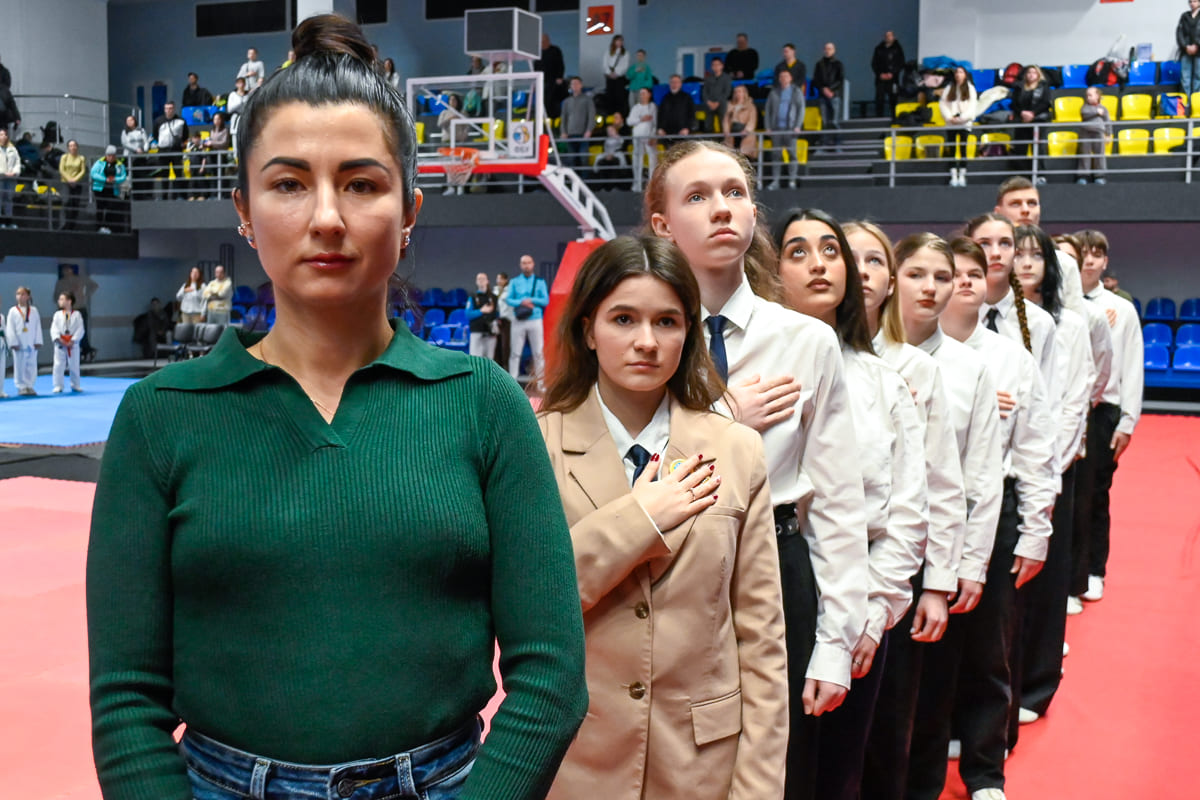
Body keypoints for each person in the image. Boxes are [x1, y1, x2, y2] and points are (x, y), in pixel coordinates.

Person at [87, 14, 587, 800]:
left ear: (410, 210)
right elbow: (124, 701)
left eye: (361, 183)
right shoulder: (161, 416)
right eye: (289, 183)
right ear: (244, 211)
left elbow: (552, 680)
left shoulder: (485, 405)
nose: (326, 217)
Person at [644, 140, 868, 800]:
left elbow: (838, 497)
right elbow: (621, 469)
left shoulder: (806, 340)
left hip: (777, 555)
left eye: (735, 193)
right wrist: (723, 418)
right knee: (676, 762)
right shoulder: (641, 335)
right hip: (671, 562)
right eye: (697, 196)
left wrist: (837, 638)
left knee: (780, 769)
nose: (721, 209)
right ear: (662, 225)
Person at [540, 234, 787, 800]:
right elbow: (529, 604)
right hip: (576, 762)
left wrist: (758, 789)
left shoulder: (737, 449)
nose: (646, 342)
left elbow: (761, 638)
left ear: (689, 332)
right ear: (588, 330)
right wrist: (640, 520)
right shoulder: (537, 445)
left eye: (667, 322)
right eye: (623, 319)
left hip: (701, 764)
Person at [773, 209, 928, 800]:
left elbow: (907, 509)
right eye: (798, 252)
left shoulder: (882, 382)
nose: (819, 264)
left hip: (861, 591)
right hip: (773, 585)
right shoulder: (752, 369)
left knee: (839, 770)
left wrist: (876, 607)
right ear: (773, 270)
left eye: (830, 251)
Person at [907, 234, 1053, 800]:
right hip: (917, 521)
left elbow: (1031, 450)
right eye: (951, 272)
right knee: (928, 659)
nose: (960, 282)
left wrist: (1035, 529)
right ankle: (926, 759)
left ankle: (985, 769)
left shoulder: (1005, 358)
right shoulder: (899, 352)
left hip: (988, 511)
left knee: (989, 651)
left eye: (969, 273)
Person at [844, 223, 973, 800]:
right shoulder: (800, 352)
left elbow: (940, 482)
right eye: (848, 257)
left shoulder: (914, 367)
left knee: (885, 725)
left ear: (888, 280)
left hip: (889, 563)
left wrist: (938, 582)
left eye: (875, 261)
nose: (860, 272)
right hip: (807, 562)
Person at [1009, 224, 1092, 731]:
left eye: (1033, 255)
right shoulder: (996, 318)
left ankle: (1037, 686)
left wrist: (1046, 468)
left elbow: (1070, 399)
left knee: (1044, 585)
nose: (1023, 263)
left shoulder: (1069, 324)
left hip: (1051, 465)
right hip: (1004, 467)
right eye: (1015, 254)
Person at [1075, 229, 1143, 604]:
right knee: (1065, 499)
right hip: (1066, 411)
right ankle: (1067, 574)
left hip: (1103, 412)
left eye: (1096, 254)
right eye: (1083, 253)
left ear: (1105, 261)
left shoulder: (1122, 309)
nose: (1089, 260)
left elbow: (1131, 366)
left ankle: (1093, 570)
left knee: (1096, 496)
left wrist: (1127, 421)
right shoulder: (1056, 305)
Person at [507, 253, 548, 384]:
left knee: (538, 352)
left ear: (533, 264)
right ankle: (512, 382)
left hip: (535, 319)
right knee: (515, 353)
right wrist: (521, 302)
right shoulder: (514, 282)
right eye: (524, 263)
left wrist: (532, 300)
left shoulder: (540, 282)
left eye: (529, 263)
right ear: (520, 265)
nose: (526, 266)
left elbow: (545, 300)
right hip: (518, 320)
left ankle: (541, 383)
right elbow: (508, 299)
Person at [1008, 65, 1052, 182]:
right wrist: (1022, 113)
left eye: (1034, 72)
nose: (1031, 75)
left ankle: (1040, 175)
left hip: (1038, 121)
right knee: (1020, 148)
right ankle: (1021, 176)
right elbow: (1014, 104)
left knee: (1038, 148)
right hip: (1021, 121)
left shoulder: (1044, 87)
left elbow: (1045, 103)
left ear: (1038, 75)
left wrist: (1033, 114)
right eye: (1029, 72)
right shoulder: (1019, 87)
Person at [765, 70, 803, 189]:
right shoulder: (773, 92)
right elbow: (768, 110)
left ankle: (792, 180)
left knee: (792, 155)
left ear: (790, 78)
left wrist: (798, 125)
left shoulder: (796, 91)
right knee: (776, 155)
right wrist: (768, 127)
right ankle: (775, 181)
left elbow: (801, 109)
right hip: (776, 129)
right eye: (781, 76)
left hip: (790, 129)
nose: (783, 78)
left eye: (786, 76)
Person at [940, 66, 977, 187]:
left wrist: (961, 118)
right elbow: (943, 104)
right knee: (952, 149)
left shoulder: (970, 89)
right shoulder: (949, 88)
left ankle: (962, 175)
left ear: (965, 74)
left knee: (963, 149)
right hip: (951, 124)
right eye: (956, 72)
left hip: (964, 124)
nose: (958, 74)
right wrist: (949, 117)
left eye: (961, 72)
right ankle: (953, 175)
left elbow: (972, 107)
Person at [6, 287, 42, 395]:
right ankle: (21, 386)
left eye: (23, 294)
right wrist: (13, 342)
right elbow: (10, 328)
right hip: (19, 342)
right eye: (18, 294)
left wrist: (38, 340)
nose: (20, 296)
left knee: (31, 364)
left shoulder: (34, 310)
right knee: (19, 365)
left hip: (31, 341)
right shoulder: (13, 311)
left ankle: (30, 385)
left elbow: (37, 326)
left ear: (28, 296)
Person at [152, 101, 189, 200]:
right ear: (164, 109)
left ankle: (178, 196)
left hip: (176, 150)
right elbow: (155, 135)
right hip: (163, 151)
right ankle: (164, 197)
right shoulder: (158, 121)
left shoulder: (181, 120)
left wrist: (178, 143)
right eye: (167, 108)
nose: (169, 110)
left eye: (171, 108)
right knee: (164, 174)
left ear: (174, 109)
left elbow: (185, 135)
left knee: (178, 173)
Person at [1076, 86, 1111, 185]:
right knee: (1085, 154)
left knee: (1099, 154)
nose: (1088, 97)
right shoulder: (1085, 107)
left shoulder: (1103, 108)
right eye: (1087, 95)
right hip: (1085, 132)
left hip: (1098, 133)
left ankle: (1099, 176)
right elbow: (1084, 113)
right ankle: (1083, 176)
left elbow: (1107, 122)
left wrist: (1108, 134)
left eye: (1090, 95)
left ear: (1097, 96)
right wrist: (1096, 112)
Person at [50, 291, 84, 393]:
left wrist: (73, 340)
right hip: (60, 343)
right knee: (58, 365)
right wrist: (59, 339)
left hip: (72, 344)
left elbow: (80, 329)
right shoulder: (57, 315)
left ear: (69, 301)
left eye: (62, 299)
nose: (59, 301)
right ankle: (58, 385)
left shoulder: (77, 315)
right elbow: (54, 329)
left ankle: (75, 384)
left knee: (74, 365)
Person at [90, 145, 128, 234]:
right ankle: (99, 227)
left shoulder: (119, 165)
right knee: (100, 208)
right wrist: (105, 179)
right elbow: (93, 173)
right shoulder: (99, 162)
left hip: (112, 189)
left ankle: (108, 226)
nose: (111, 157)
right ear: (106, 155)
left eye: (113, 155)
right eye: (109, 155)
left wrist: (115, 179)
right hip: (100, 189)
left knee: (110, 208)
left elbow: (123, 176)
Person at [560, 77, 596, 171]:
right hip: (570, 134)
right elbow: (564, 118)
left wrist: (589, 130)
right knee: (571, 159)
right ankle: (573, 178)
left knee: (583, 158)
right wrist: (563, 131)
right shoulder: (567, 101)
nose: (575, 86)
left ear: (581, 85)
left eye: (577, 83)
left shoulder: (587, 100)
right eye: (573, 84)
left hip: (583, 133)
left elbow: (591, 116)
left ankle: (584, 178)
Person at [812, 43, 844, 148]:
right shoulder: (819, 65)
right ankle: (825, 142)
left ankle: (838, 142)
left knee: (835, 121)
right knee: (824, 121)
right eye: (826, 48)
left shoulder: (838, 64)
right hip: (822, 96)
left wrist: (831, 90)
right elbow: (815, 80)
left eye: (829, 49)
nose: (827, 50)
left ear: (834, 50)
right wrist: (823, 89)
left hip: (835, 96)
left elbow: (840, 80)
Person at [629, 87, 657, 191]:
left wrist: (653, 136)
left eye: (644, 93)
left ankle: (652, 184)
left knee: (652, 160)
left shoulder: (652, 107)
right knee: (637, 160)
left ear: (649, 94)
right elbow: (629, 121)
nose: (642, 95)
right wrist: (641, 119)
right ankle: (637, 185)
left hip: (649, 136)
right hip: (637, 136)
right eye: (641, 93)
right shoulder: (636, 107)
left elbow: (655, 123)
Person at [872, 31, 905, 117]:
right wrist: (880, 74)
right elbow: (874, 64)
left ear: (894, 37)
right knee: (879, 98)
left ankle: (894, 117)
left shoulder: (898, 49)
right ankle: (878, 118)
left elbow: (901, 63)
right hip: (880, 79)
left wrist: (893, 73)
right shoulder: (879, 49)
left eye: (890, 35)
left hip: (893, 79)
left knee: (893, 98)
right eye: (886, 36)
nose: (888, 37)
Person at [465, 271, 497, 359]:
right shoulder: (472, 297)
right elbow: (468, 314)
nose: (481, 280)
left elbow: (497, 314)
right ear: (476, 282)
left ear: (487, 281)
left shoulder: (494, 297)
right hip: (476, 331)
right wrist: (481, 311)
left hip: (490, 333)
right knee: (475, 359)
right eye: (479, 279)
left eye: (483, 279)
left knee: (489, 359)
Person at [57, 139, 88, 230]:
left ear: (77, 147)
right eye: (70, 146)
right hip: (65, 183)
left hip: (77, 184)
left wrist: (75, 180)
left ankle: (72, 226)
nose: (73, 147)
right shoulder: (64, 157)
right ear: (68, 148)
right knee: (66, 202)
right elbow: (61, 169)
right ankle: (63, 224)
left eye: (74, 145)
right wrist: (69, 180)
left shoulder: (81, 158)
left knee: (75, 204)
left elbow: (83, 171)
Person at [722, 84, 758, 159]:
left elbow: (752, 120)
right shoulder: (730, 105)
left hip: (744, 131)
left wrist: (747, 130)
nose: (738, 94)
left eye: (740, 91)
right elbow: (726, 120)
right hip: (732, 132)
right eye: (736, 92)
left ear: (744, 93)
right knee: (730, 153)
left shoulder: (750, 106)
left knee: (744, 154)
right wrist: (726, 130)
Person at [535, 33, 566, 116]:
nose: (542, 43)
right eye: (541, 42)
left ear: (548, 41)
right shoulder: (538, 52)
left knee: (552, 100)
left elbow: (560, 65)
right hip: (542, 81)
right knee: (542, 100)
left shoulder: (555, 50)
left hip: (553, 80)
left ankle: (553, 117)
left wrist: (559, 77)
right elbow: (536, 67)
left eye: (544, 41)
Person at [657, 74, 695, 142]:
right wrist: (660, 128)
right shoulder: (665, 98)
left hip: (683, 134)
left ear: (680, 84)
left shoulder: (687, 98)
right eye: (672, 82)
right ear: (669, 84)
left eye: (677, 82)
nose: (674, 84)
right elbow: (660, 115)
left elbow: (691, 114)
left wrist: (687, 128)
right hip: (667, 135)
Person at [120, 115, 149, 199]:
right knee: (127, 177)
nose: (129, 122)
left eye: (131, 120)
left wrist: (144, 150)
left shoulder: (141, 130)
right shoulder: (124, 132)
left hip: (140, 157)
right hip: (128, 157)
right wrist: (136, 149)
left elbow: (146, 141)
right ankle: (125, 195)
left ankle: (140, 195)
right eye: (127, 121)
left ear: (135, 121)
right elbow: (124, 143)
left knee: (140, 176)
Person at [701, 56, 731, 134]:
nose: (716, 67)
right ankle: (710, 141)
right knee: (708, 126)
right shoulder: (708, 78)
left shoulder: (727, 78)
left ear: (722, 66)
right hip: (709, 104)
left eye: (717, 64)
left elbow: (727, 92)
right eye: (713, 65)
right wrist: (708, 102)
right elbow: (704, 92)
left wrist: (718, 102)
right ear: (711, 67)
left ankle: (723, 141)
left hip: (722, 104)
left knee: (723, 125)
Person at [1177, 0, 1200, 98]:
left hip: (1199, 51)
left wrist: (1197, 45)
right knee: (1185, 78)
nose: (1192, 3)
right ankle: (1186, 102)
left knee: (1198, 77)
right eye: (1190, 1)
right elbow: (1179, 33)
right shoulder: (1184, 16)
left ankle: (1196, 102)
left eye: (1194, 1)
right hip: (1186, 51)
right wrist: (1185, 46)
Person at [602, 34, 629, 116]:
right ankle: (610, 115)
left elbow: (625, 66)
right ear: (614, 41)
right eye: (618, 40)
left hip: (619, 78)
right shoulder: (608, 52)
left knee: (619, 98)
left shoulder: (625, 53)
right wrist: (609, 73)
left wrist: (617, 73)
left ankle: (620, 116)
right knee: (610, 97)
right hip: (610, 78)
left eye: (621, 41)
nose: (619, 42)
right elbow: (605, 64)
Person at [625, 49, 654, 114]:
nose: (639, 57)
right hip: (632, 90)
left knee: (640, 108)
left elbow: (649, 81)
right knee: (632, 108)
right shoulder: (633, 67)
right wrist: (635, 71)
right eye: (638, 55)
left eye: (641, 55)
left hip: (641, 91)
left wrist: (644, 88)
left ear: (644, 57)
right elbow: (629, 76)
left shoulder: (647, 68)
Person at [494, 271, 512, 370]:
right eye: (498, 279)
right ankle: (497, 365)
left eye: (501, 279)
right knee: (497, 344)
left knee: (506, 344)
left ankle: (506, 366)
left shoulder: (510, 290)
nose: (499, 281)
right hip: (497, 320)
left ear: (505, 280)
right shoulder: (495, 290)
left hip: (507, 320)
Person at [0, 127, 18, 228]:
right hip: (0, 178)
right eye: (1, 135)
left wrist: (15, 172)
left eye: (5, 135)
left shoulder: (12, 149)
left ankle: (8, 221)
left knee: (8, 199)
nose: (3, 137)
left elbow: (17, 163)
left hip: (10, 179)